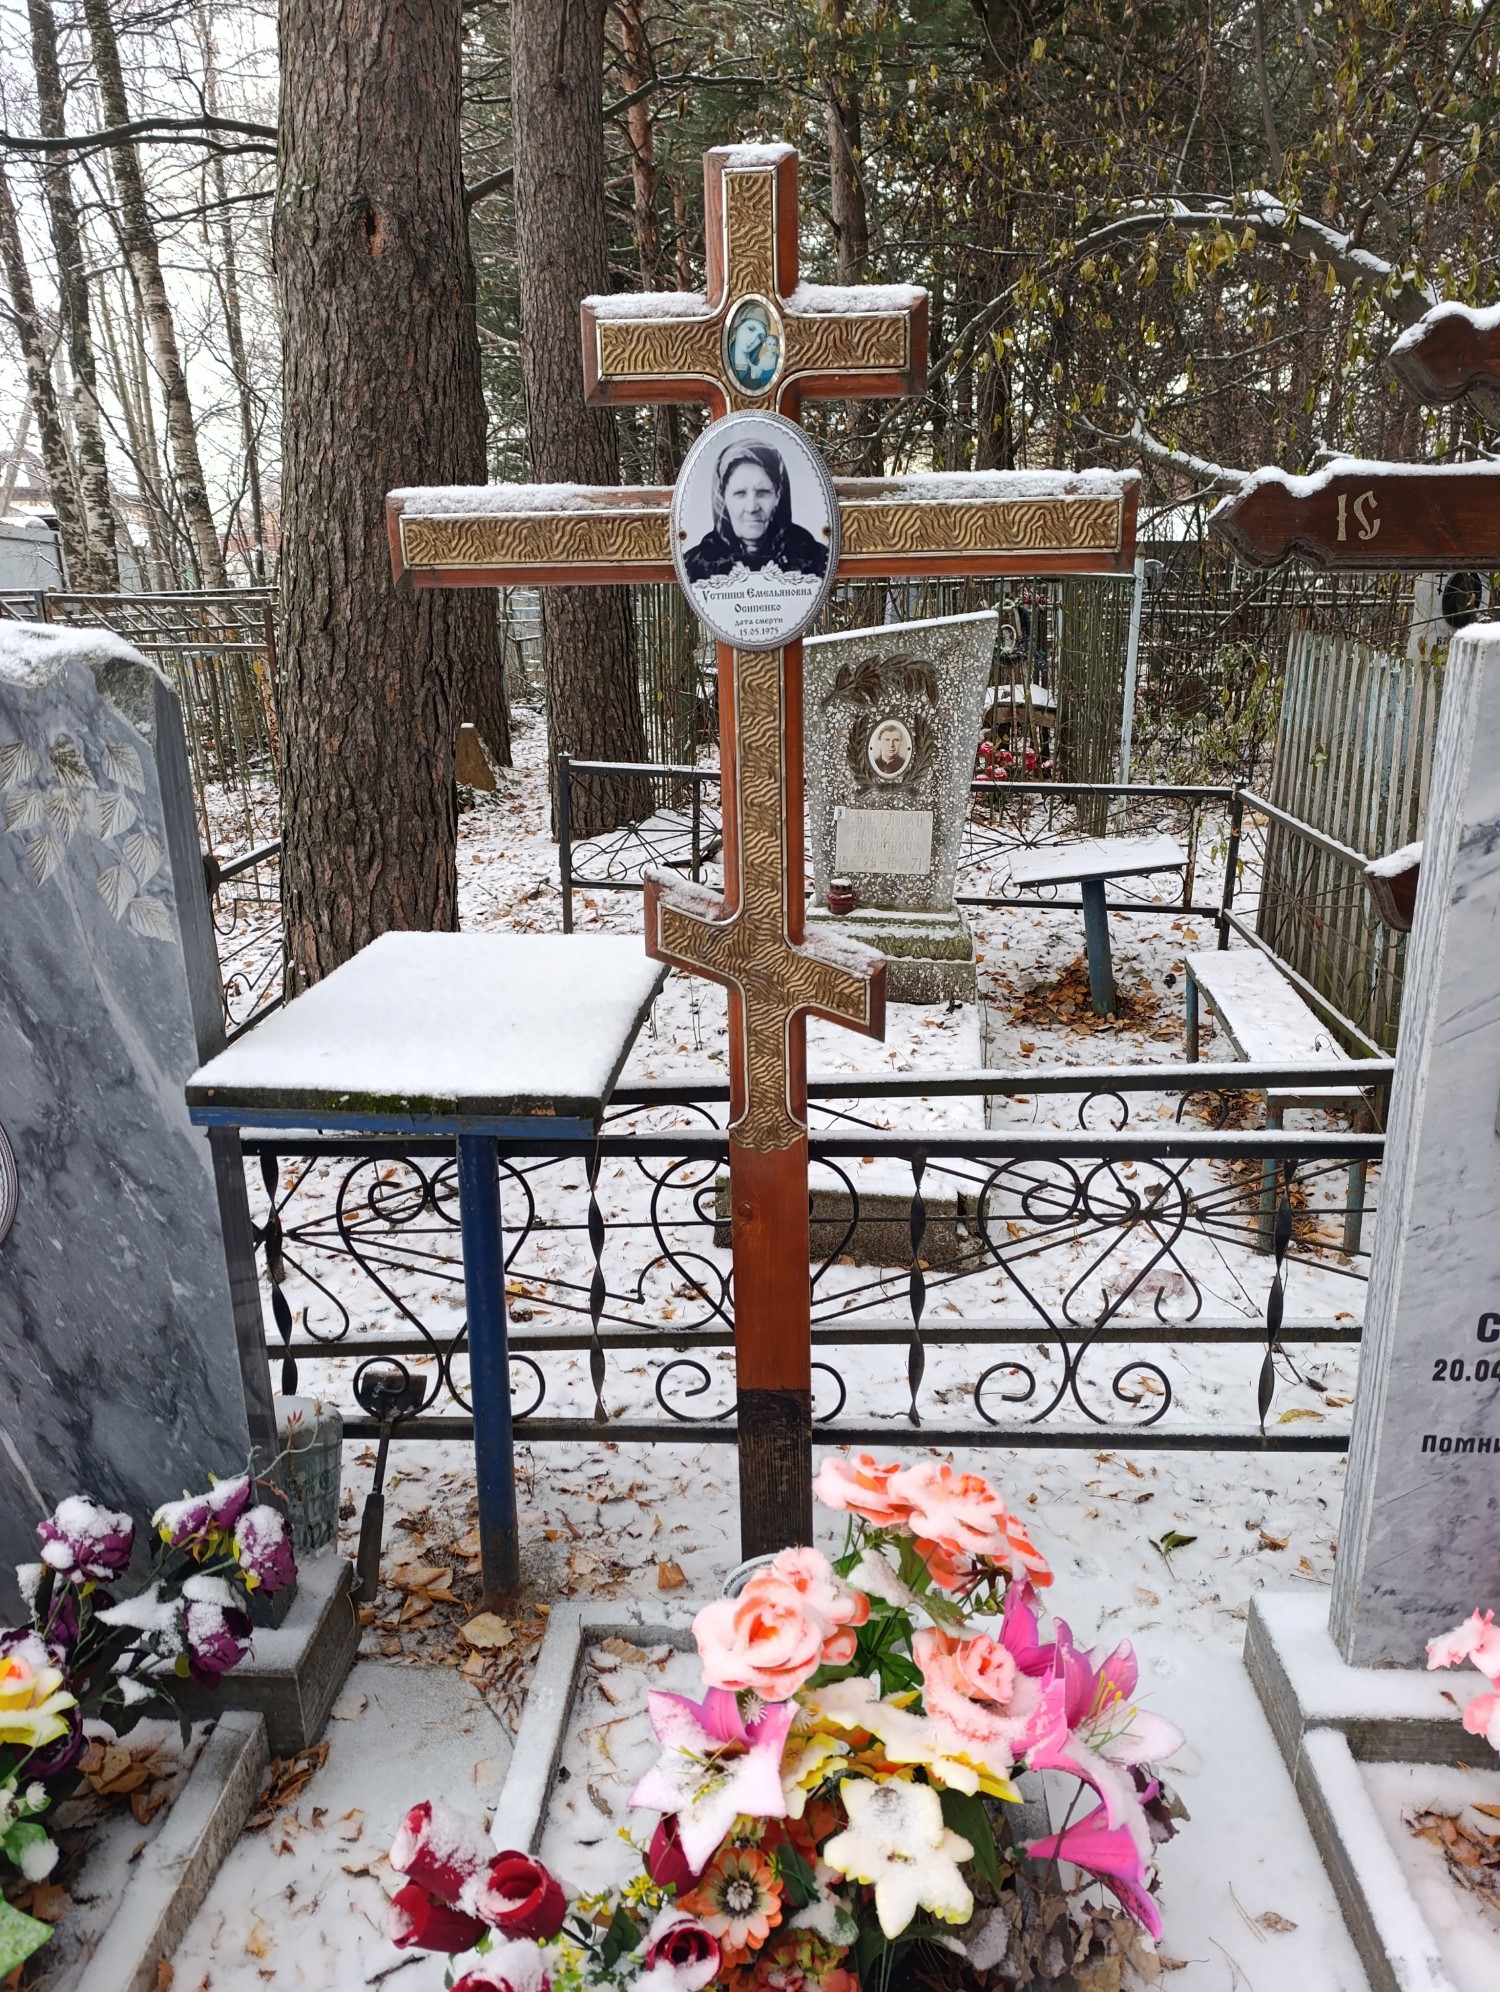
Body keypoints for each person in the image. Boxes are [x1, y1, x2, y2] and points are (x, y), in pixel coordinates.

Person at [684, 441, 829, 582]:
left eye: (763, 492)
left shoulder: (813, 558)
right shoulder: (697, 564)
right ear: (723, 498)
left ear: (778, 495)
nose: (752, 508)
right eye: (740, 493)